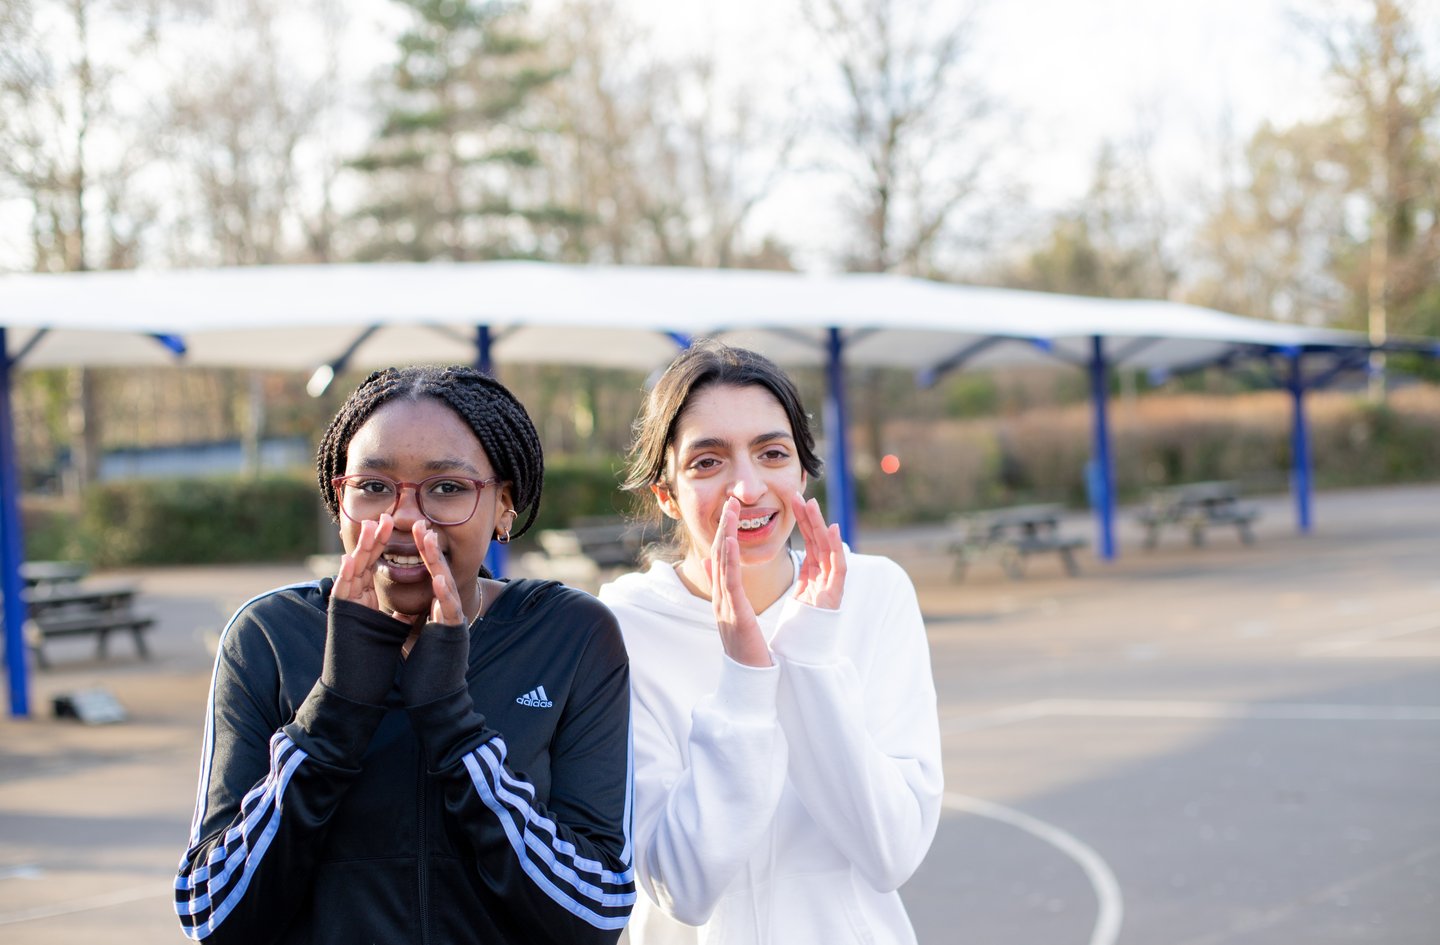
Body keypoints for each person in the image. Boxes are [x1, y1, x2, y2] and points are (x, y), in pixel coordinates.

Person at [174, 365, 635, 944]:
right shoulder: (269, 635)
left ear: (504, 506)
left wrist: (453, 725)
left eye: (448, 488)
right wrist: (335, 711)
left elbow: (595, 913)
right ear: (338, 499)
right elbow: (212, 912)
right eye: (373, 487)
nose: (406, 518)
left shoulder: (570, 635)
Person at [598, 340, 943, 945]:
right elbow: (680, 887)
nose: (747, 487)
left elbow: (891, 853)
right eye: (708, 461)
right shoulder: (621, 628)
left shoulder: (875, 593)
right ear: (665, 494)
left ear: (802, 472)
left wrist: (808, 660)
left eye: (773, 453)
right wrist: (745, 684)